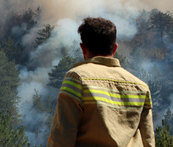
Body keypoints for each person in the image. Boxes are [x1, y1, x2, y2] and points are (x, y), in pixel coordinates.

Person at [47, 17, 155, 147]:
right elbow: (148, 141)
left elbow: (62, 138)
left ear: (83, 48)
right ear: (115, 48)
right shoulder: (141, 88)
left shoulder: (77, 78)